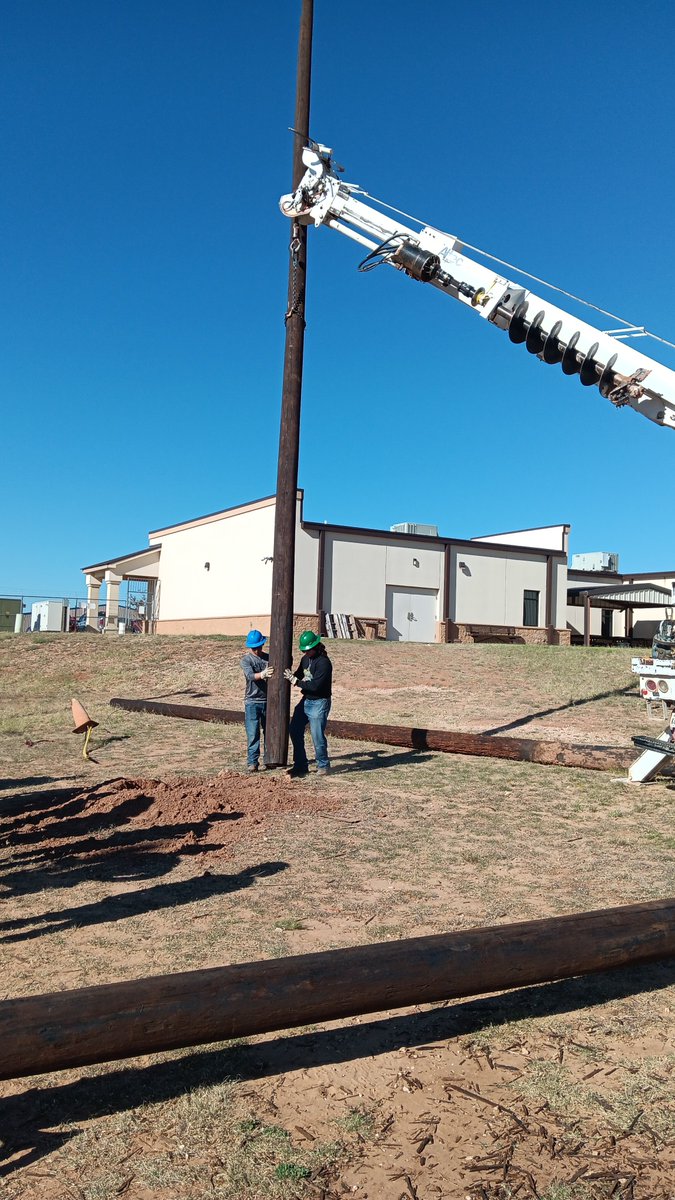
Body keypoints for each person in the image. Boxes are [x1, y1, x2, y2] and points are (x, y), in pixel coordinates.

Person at [284, 630, 332, 777]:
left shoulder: (324, 663)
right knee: (294, 729)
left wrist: (296, 682)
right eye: (304, 650)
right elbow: (300, 673)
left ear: (316, 647)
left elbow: (316, 686)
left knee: (317, 735)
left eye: (308, 650)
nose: (306, 653)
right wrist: (290, 674)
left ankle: (323, 765)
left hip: (319, 702)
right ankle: (300, 765)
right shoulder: (306, 659)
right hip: (306, 701)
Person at [240, 630, 274, 772]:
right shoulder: (246, 660)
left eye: (259, 646)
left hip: (267, 701)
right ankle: (252, 762)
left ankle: (268, 760)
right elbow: (250, 675)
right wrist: (263, 674)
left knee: (269, 733)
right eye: (254, 647)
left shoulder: (268, 658)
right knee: (253, 733)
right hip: (252, 701)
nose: (257, 650)